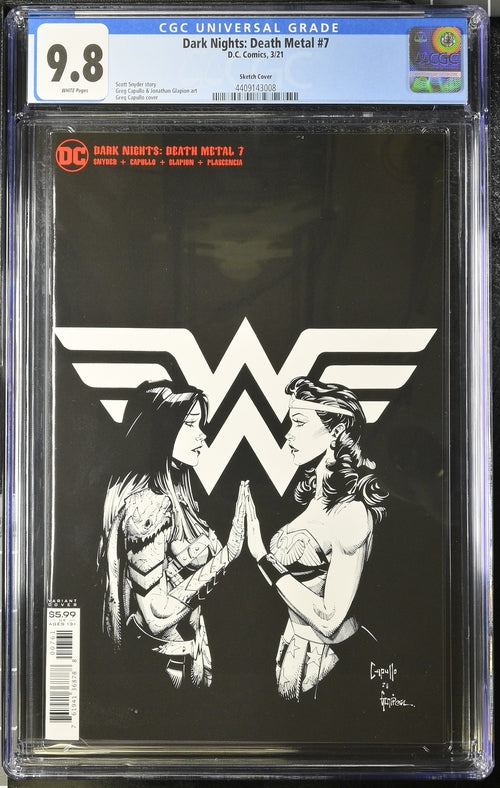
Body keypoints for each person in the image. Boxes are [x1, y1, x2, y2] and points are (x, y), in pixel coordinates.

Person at [245, 376, 388, 701]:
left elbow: (329, 619)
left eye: (299, 423)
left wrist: (262, 557)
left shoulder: (350, 513)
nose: (288, 434)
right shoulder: (314, 501)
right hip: (293, 655)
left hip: (338, 667)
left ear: (336, 431)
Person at [98, 380, 245, 689]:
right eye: (190, 424)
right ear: (160, 431)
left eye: (200, 424)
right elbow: (156, 615)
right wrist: (230, 553)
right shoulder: (149, 506)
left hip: (189, 662)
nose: (202, 435)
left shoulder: (178, 498)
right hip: (163, 673)